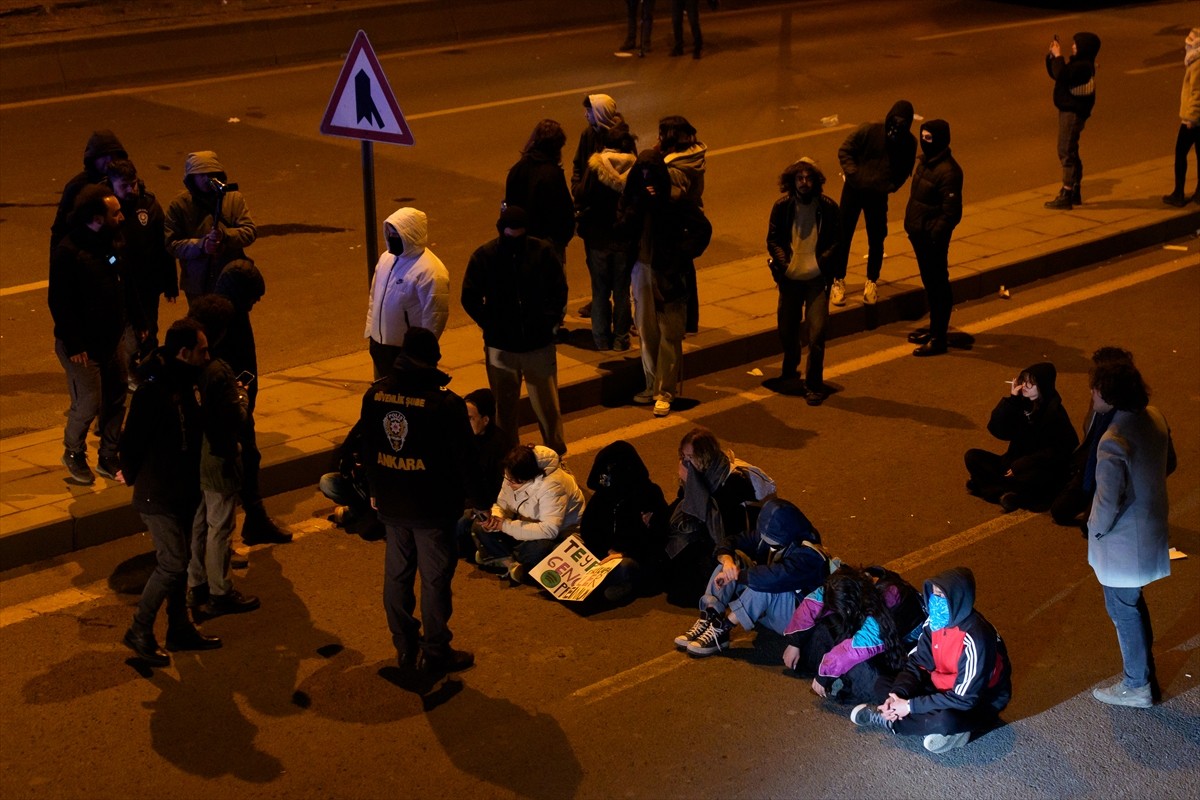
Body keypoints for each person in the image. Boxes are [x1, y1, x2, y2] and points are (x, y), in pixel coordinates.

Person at [359, 326, 476, 676]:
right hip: (432, 507)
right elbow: (464, 459)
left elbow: (368, 447)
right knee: (435, 580)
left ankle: (405, 647)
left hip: (393, 503)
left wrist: (375, 489)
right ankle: (436, 650)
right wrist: (478, 500)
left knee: (397, 576)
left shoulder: (376, 394)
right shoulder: (446, 404)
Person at [119, 318, 222, 667]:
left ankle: (179, 628)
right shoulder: (153, 391)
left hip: (183, 489)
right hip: (158, 494)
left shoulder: (189, 381)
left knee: (182, 562)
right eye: (202, 351)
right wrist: (129, 473)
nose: (207, 356)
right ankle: (139, 629)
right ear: (183, 353)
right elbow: (131, 441)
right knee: (173, 562)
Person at [1087, 360, 1176, 708]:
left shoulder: (1113, 441)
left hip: (1123, 542)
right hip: (1151, 527)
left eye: (1095, 389)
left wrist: (1095, 531)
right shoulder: (1154, 417)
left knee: (1123, 609)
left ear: (1108, 394)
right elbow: (1169, 463)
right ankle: (1143, 673)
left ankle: (1137, 684)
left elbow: (1107, 502)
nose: (1092, 395)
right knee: (1133, 604)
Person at [850, 567, 1012, 755]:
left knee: (945, 720)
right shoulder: (935, 623)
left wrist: (909, 706)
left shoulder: (977, 638)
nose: (935, 601)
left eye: (942, 596)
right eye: (933, 594)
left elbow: (964, 699)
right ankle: (911, 718)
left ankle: (892, 722)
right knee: (883, 684)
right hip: (942, 686)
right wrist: (896, 696)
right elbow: (917, 665)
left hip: (978, 700)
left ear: (958, 598)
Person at [462, 205, 569, 456]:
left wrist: (548, 322)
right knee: (504, 410)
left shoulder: (542, 252)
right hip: (502, 347)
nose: (515, 241)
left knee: (548, 408)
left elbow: (558, 290)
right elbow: (469, 297)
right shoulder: (485, 257)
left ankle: (555, 454)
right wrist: (491, 324)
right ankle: (509, 457)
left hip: (537, 345)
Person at [49, 184, 133, 485]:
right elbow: (59, 302)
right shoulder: (68, 252)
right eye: (116, 213)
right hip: (81, 347)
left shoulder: (110, 241)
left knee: (116, 398)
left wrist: (135, 322)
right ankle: (73, 451)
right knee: (88, 402)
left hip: (111, 340)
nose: (122, 217)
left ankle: (109, 456)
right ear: (97, 218)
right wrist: (74, 343)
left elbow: (122, 284)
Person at [673, 497, 830, 657]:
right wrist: (727, 561)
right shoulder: (774, 533)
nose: (765, 540)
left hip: (792, 620)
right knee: (732, 564)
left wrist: (736, 576)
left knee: (765, 583)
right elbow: (731, 541)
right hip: (768, 610)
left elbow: (776, 577)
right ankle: (710, 615)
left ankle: (723, 627)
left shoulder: (810, 554)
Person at [184, 294, 261, 619]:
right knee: (220, 525)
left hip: (195, 452)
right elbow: (235, 417)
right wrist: (242, 395)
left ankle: (197, 583)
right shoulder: (218, 371)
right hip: (219, 455)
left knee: (199, 521)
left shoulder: (185, 364)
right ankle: (221, 591)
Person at [619, 150, 711, 417]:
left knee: (669, 335)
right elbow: (620, 228)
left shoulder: (675, 200)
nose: (647, 178)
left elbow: (702, 230)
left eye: (651, 173)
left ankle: (665, 391)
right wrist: (637, 205)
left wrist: (680, 255)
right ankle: (652, 384)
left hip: (668, 275)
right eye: (642, 173)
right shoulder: (632, 197)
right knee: (646, 332)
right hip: (641, 270)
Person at [213, 259, 292, 545]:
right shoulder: (222, 321)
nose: (254, 304)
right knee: (231, 470)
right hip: (229, 410)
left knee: (248, 459)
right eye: (252, 298)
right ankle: (221, 543)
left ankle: (254, 520)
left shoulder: (234, 313)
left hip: (240, 406)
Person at [783, 565, 923, 706]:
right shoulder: (858, 581)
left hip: (906, 649)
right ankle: (839, 674)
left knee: (866, 672)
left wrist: (825, 673)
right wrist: (795, 641)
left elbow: (860, 646)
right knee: (825, 625)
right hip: (879, 636)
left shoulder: (891, 598)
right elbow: (815, 601)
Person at [664, 427, 774, 605]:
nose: (685, 462)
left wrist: (694, 487)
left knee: (688, 581)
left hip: (735, 543)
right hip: (713, 538)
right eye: (683, 457)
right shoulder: (699, 476)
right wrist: (688, 484)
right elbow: (683, 506)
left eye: (690, 457)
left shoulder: (732, 482)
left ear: (705, 456)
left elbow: (723, 529)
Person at [765, 156, 842, 405]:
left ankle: (814, 385)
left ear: (816, 181)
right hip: (791, 278)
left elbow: (837, 241)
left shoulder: (828, 207)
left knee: (817, 333)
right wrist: (785, 265)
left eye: (809, 178)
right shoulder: (782, 206)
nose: (804, 182)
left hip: (817, 280)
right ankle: (790, 369)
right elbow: (773, 239)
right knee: (787, 329)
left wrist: (821, 264)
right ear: (792, 181)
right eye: (800, 178)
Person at [830, 101, 917, 308]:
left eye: (901, 125)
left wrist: (889, 186)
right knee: (843, 235)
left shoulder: (908, 143)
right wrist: (855, 176)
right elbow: (845, 150)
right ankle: (838, 279)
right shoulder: (870, 131)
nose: (896, 129)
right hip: (854, 190)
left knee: (877, 238)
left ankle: (871, 281)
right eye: (894, 123)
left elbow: (905, 169)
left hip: (877, 195)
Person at [965, 362, 1079, 513]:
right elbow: (997, 430)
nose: (1025, 386)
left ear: (1042, 387)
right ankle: (1001, 491)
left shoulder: (1054, 413)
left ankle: (991, 488)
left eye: (1031, 383)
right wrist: (1012, 401)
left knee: (1032, 479)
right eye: (1023, 381)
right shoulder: (1021, 404)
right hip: (1011, 463)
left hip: (1034, 467)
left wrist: (1022, 464)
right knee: (972, 457)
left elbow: (1059, 450)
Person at [474, 444, 586, 584]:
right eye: (506, 477)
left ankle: (499, 556)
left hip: (560, 532)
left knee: (539, 549)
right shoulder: (513, 473)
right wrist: (495, 519)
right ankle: (511, 564)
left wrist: (505, 526)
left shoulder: (553, 486)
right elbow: (502, 505)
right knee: (478, 526)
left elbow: (549, 530)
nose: (508, 483)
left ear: (527, 478)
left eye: (513, 481)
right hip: (528, 523)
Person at [107, 158, 177, 375]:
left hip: (146, 284)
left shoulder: (148, 205)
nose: (131, 190)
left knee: (148, 330)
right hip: (118, 285)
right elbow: (101, 253)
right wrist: (114, 265)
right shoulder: (105, 208)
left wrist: (170, 284)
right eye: (124, 186)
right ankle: (125, 372)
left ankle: (148, 372)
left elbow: (163, 246)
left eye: (133, 183)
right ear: (112, 184)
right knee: (123, 334)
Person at [1051, 347, 1134, 528]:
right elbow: (1089, 435)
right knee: (1060, 511)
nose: (1091, 389)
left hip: (1112, 478)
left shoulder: (1127, 420)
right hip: (1090, 468)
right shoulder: (1098, 401)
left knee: (1090, 527)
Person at [364, 207, 450, 379]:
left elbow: (434, 317)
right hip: (381, 345)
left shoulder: (431, 271)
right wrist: (371, 331)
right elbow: (375, 297)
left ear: (410, 234)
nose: (391, 237)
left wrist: (421, 353)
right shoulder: (386, 258)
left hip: (406, 352)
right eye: (389, 232)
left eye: (395, 233)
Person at [575, 120, 638, 350]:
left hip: (598, 237)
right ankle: (621, 338)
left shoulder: (596, 166)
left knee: (600, 290)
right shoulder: (635, 167)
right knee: (622, 291)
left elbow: (582, 194)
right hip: (623, 237)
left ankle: (601, 339)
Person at [580, 440, 669, 604]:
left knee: (623, 567)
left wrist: (624, 552)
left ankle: (629, 585)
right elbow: (588, 529)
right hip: (605, 555)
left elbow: (657, 538)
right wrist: (604, 550)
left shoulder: (648, 493)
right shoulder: (603, 495)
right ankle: (606, 585)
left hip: (633, 557)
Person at [904, 119, 963, 357]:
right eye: (923, 137)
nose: (924, 142)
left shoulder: (949, 171)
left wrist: (934, 235)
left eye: (929, 138)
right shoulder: (925, 163)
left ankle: (939, 338)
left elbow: (951, 212)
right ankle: (934, 329)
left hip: (931, 240)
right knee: (930, 284)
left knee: (938, 286)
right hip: (920, 235)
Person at [165, 150, 256, 304]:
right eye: (201, 174)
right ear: (192, 177)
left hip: (230, 278)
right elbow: (172, 244)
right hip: (198, 283)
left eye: (211, 174)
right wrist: (201, 245)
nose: (207, 179)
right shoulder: (179, 205)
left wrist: (225, 235)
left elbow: (249, 232)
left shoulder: (233, 199)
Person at [658, 116, 708, 333]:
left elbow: (674, 200)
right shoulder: (691, 158)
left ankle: (684, 322)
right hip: (689, 221)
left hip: (678, 227)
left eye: (661, 134)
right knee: (687, 272)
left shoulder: (674, 169)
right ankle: (690, 321)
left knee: (679, 275)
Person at [49, 129, 128, 264]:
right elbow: (60, 228)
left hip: (112, 253)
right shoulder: (77, 186)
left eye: (113, 155)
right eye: (104, 156)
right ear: (93, 158)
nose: (109, 160)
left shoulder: (121, 182)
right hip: (85, 255)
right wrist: (56, 262)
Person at [504, 120, 575, 266]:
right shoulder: (552, 174)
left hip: (522, 242)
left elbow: (510, 206)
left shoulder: (517, 169)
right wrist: (563, 238)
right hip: (548, 245)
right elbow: (563, 212)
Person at [1044, 32, 1102, 209]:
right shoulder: (1080, 63)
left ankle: (1067, 192)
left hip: (1073, 113)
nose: (1073, 46)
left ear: (1085, 48)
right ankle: (1075, 189)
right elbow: (1058, 74)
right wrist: (1053, 57)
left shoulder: (1083, 66)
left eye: (1076, 44)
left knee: (1066, 150)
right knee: (1071, 149)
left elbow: (1062, 74)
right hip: (1071, 111)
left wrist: (1058, 56)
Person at [454, 388, 510, 557]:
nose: (464, 423)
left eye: (470, 418)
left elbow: (499, 489)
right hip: (462, 499)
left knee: (462, 524)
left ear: (485, 420)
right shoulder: (458, 438)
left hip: (485, 504)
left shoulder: (500, 446)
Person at [1163, 28, 1200, 207]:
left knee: (1180, 153)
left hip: (1193, 120)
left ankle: (1178, 193)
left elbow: (1197, 94)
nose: (1186, 46)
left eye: (1188, 43)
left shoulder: (1197, 63)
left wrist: (1191, 119)